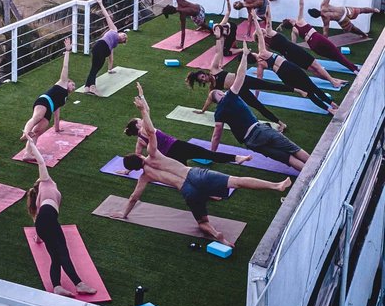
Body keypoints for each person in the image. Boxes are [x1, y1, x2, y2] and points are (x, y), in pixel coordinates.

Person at [113, 85, 291, 247]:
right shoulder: (154, 155)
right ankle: (275, 185)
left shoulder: (145, 177)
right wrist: (143, 109)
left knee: (203, 223)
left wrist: (123, 213)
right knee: (237, 181)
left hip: (187, 191)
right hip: (196, 175)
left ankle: (216, 233)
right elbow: (151, 131)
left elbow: (133, 198)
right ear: (138, 156)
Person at [209, 41, 311, 171]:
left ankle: (309, 174)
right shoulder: (229, 97)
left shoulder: (218, 112)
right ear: (220, 94)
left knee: (287, 159)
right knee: (293, 149)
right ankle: (316, 166)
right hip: (260, 131)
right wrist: (245, 55)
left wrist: (212, 154)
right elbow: (240, 76)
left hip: (251, 142)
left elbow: (216, 135)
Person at [186, 19, 291, 131]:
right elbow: (209, 100)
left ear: (204, 74)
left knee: (270, 85)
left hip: (244, 80)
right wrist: (202, 111)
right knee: (259, 107)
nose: (204, 80)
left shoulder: (214, 70)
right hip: (240, 90)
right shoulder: (213, 87)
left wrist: (218, 38)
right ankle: (281, 124)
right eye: (202, 81)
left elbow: (218, 52)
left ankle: (297, 90)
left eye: (202, 77)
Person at [24, 138, 97, 297]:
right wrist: (31, 143)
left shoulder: (40, 198)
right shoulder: (46, 183)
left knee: (56, 257)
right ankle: (79, 284)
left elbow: (39, 222)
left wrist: (38, 237)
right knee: (63, 253)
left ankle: (57, 287)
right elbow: (41, 163)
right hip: (48, 220)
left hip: (45, 223)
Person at [250, 12, 337, 114]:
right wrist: (255, 19)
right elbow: (260, 34)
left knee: (308, 93)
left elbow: (259, 81)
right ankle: (332, 104)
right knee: (312, 86)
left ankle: (330, 109)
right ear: (252, 54)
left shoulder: (260, 65)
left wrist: (256, 96)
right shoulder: (263, 52)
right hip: (289, 67)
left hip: (284, 76)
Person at [282, 0, 359, 73]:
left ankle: (353, 68)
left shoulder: (293, 31)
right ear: (290, 21)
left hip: (313, 46)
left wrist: (286, 55)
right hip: (317, 38)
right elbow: (301, 5)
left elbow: (293, 45)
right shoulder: (299, 20)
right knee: (337, 54)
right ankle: (354, 69)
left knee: (334, 57)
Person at [259, 3, 342, 88]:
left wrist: (261, 68)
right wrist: (268, 4)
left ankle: (333, 80)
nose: (263, 29)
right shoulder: (269, 33)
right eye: (261, 30)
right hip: (294, 50)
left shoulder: (265, 43)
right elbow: (268, 18)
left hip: (289, 56)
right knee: (317, 66)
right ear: (261, 34)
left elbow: (267, 55)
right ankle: (333, 82)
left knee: (313, 70)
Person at [122, 117, 252, 167]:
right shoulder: (146, 130)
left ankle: (209, 193)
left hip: (171, 156)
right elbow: (146, 113)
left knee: (188, 175)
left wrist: (129, 170)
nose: (142, 120)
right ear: (138, 126)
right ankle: (237, 158)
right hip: (178, 146)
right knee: (208, 154)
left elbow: (137, 156)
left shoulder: (140, 141)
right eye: (139, 120)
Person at [22, 39, 75, 142]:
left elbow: (56, 114)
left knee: (38, 131)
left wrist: (57, 128)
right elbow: (65, 66)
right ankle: (25, 132)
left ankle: (28, 153)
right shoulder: (63, 81)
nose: (73, 87)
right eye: (72, 84)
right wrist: (67, 51)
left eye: (74, 87)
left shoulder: (64, 98)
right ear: (67, 82)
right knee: (37, 117)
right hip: (44, 101)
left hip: (49, 110)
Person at [83, 0, 128, 96]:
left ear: (122, 41)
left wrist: (109, 69)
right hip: (99, 47)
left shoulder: (113, 44)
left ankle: (87, 87)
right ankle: (92, 87)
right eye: (124, 34)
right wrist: (100, 3)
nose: (124, 35)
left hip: (102, 51)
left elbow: (111, 58)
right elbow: (107, 17)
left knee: (94, 68)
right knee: (95, 68)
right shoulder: (114, 30)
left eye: (125, 38)